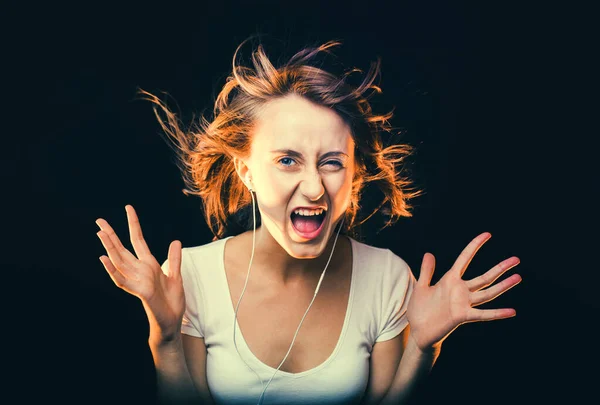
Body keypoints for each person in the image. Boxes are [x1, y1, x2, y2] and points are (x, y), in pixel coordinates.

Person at [95, 38, 522, 405]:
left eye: (333, 163)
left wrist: (424, 349)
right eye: (287, 161)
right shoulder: (190, 277)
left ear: (354, 175)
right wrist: (165, 337)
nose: (315, 188)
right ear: (246, 171)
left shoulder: (387, 277)